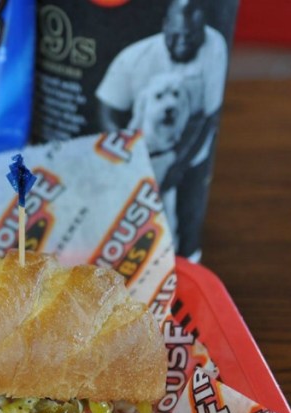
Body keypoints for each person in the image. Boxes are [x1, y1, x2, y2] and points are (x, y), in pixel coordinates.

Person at [96, 0, 229, 261]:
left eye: (191, 37)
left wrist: (177, 166)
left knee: (183, 224)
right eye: (176, 35)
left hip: (190, 155)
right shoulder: (135, 58)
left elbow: (210, 115)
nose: (183, 42)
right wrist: (125, 154)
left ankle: (181, 263)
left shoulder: (214, 46)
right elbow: (107, 107)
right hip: (142, 154)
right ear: (165, 26)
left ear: (203, 29)